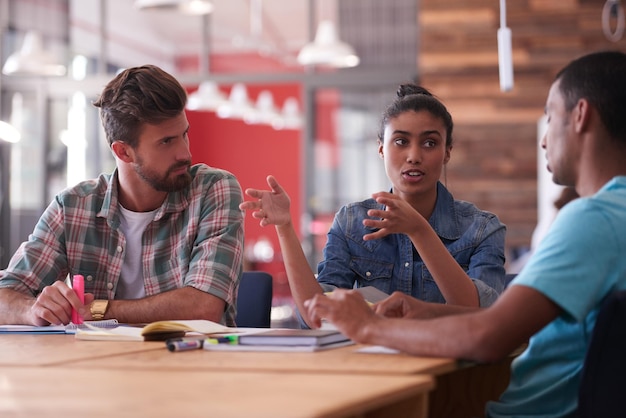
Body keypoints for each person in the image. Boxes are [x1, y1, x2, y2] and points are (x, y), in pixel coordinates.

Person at [302, 50, 626, 417]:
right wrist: (426, 312)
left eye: (550, 116)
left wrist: (368, 327)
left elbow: (489, 337)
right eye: (400, 141)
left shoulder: (591, 219)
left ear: (581, 116)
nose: (544, 140)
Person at [240, 84, 506, 328]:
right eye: (401, 141)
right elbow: (316, 316)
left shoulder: (482, 229)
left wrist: (419, 230)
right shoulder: (352, 221)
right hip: (367, 365)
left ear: (447, 151)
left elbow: (482, 316)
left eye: (429, 143)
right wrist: (285, 227)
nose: (414, 156)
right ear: (381, 149)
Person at [0, 65, 244, 327]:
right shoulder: (72, 207)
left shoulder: (214, 189)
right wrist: (32, 310)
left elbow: (203, 308)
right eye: (166, 142)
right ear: (124, 152)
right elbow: (6, 294)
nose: (184, 153)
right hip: (98, 365)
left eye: (184, 134)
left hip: (192, 363)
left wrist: (94, 309)